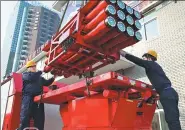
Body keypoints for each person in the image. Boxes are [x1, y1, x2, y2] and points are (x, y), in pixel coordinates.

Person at [120, 50, 181, 130]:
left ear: (149, 58)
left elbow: (139, 61)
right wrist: (152, 87)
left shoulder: (150, 64)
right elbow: (159, 80)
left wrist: (125, 54)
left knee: (171, 119)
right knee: (174, 118)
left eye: (144, 57)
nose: (143, 59)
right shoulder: (156, 66)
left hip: (166, 93)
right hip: (170, 92)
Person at [18, 60, 56, 130]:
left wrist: (53, 77)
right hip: (28, 99)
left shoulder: (39, 77)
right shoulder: (26, 75)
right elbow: (32, 77)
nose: (34, 68)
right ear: (28, 68)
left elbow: (47, 83)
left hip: (38, 99)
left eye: (34, 67)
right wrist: (42, 71)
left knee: (39, 119)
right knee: (25, 118)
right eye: (32, 67)